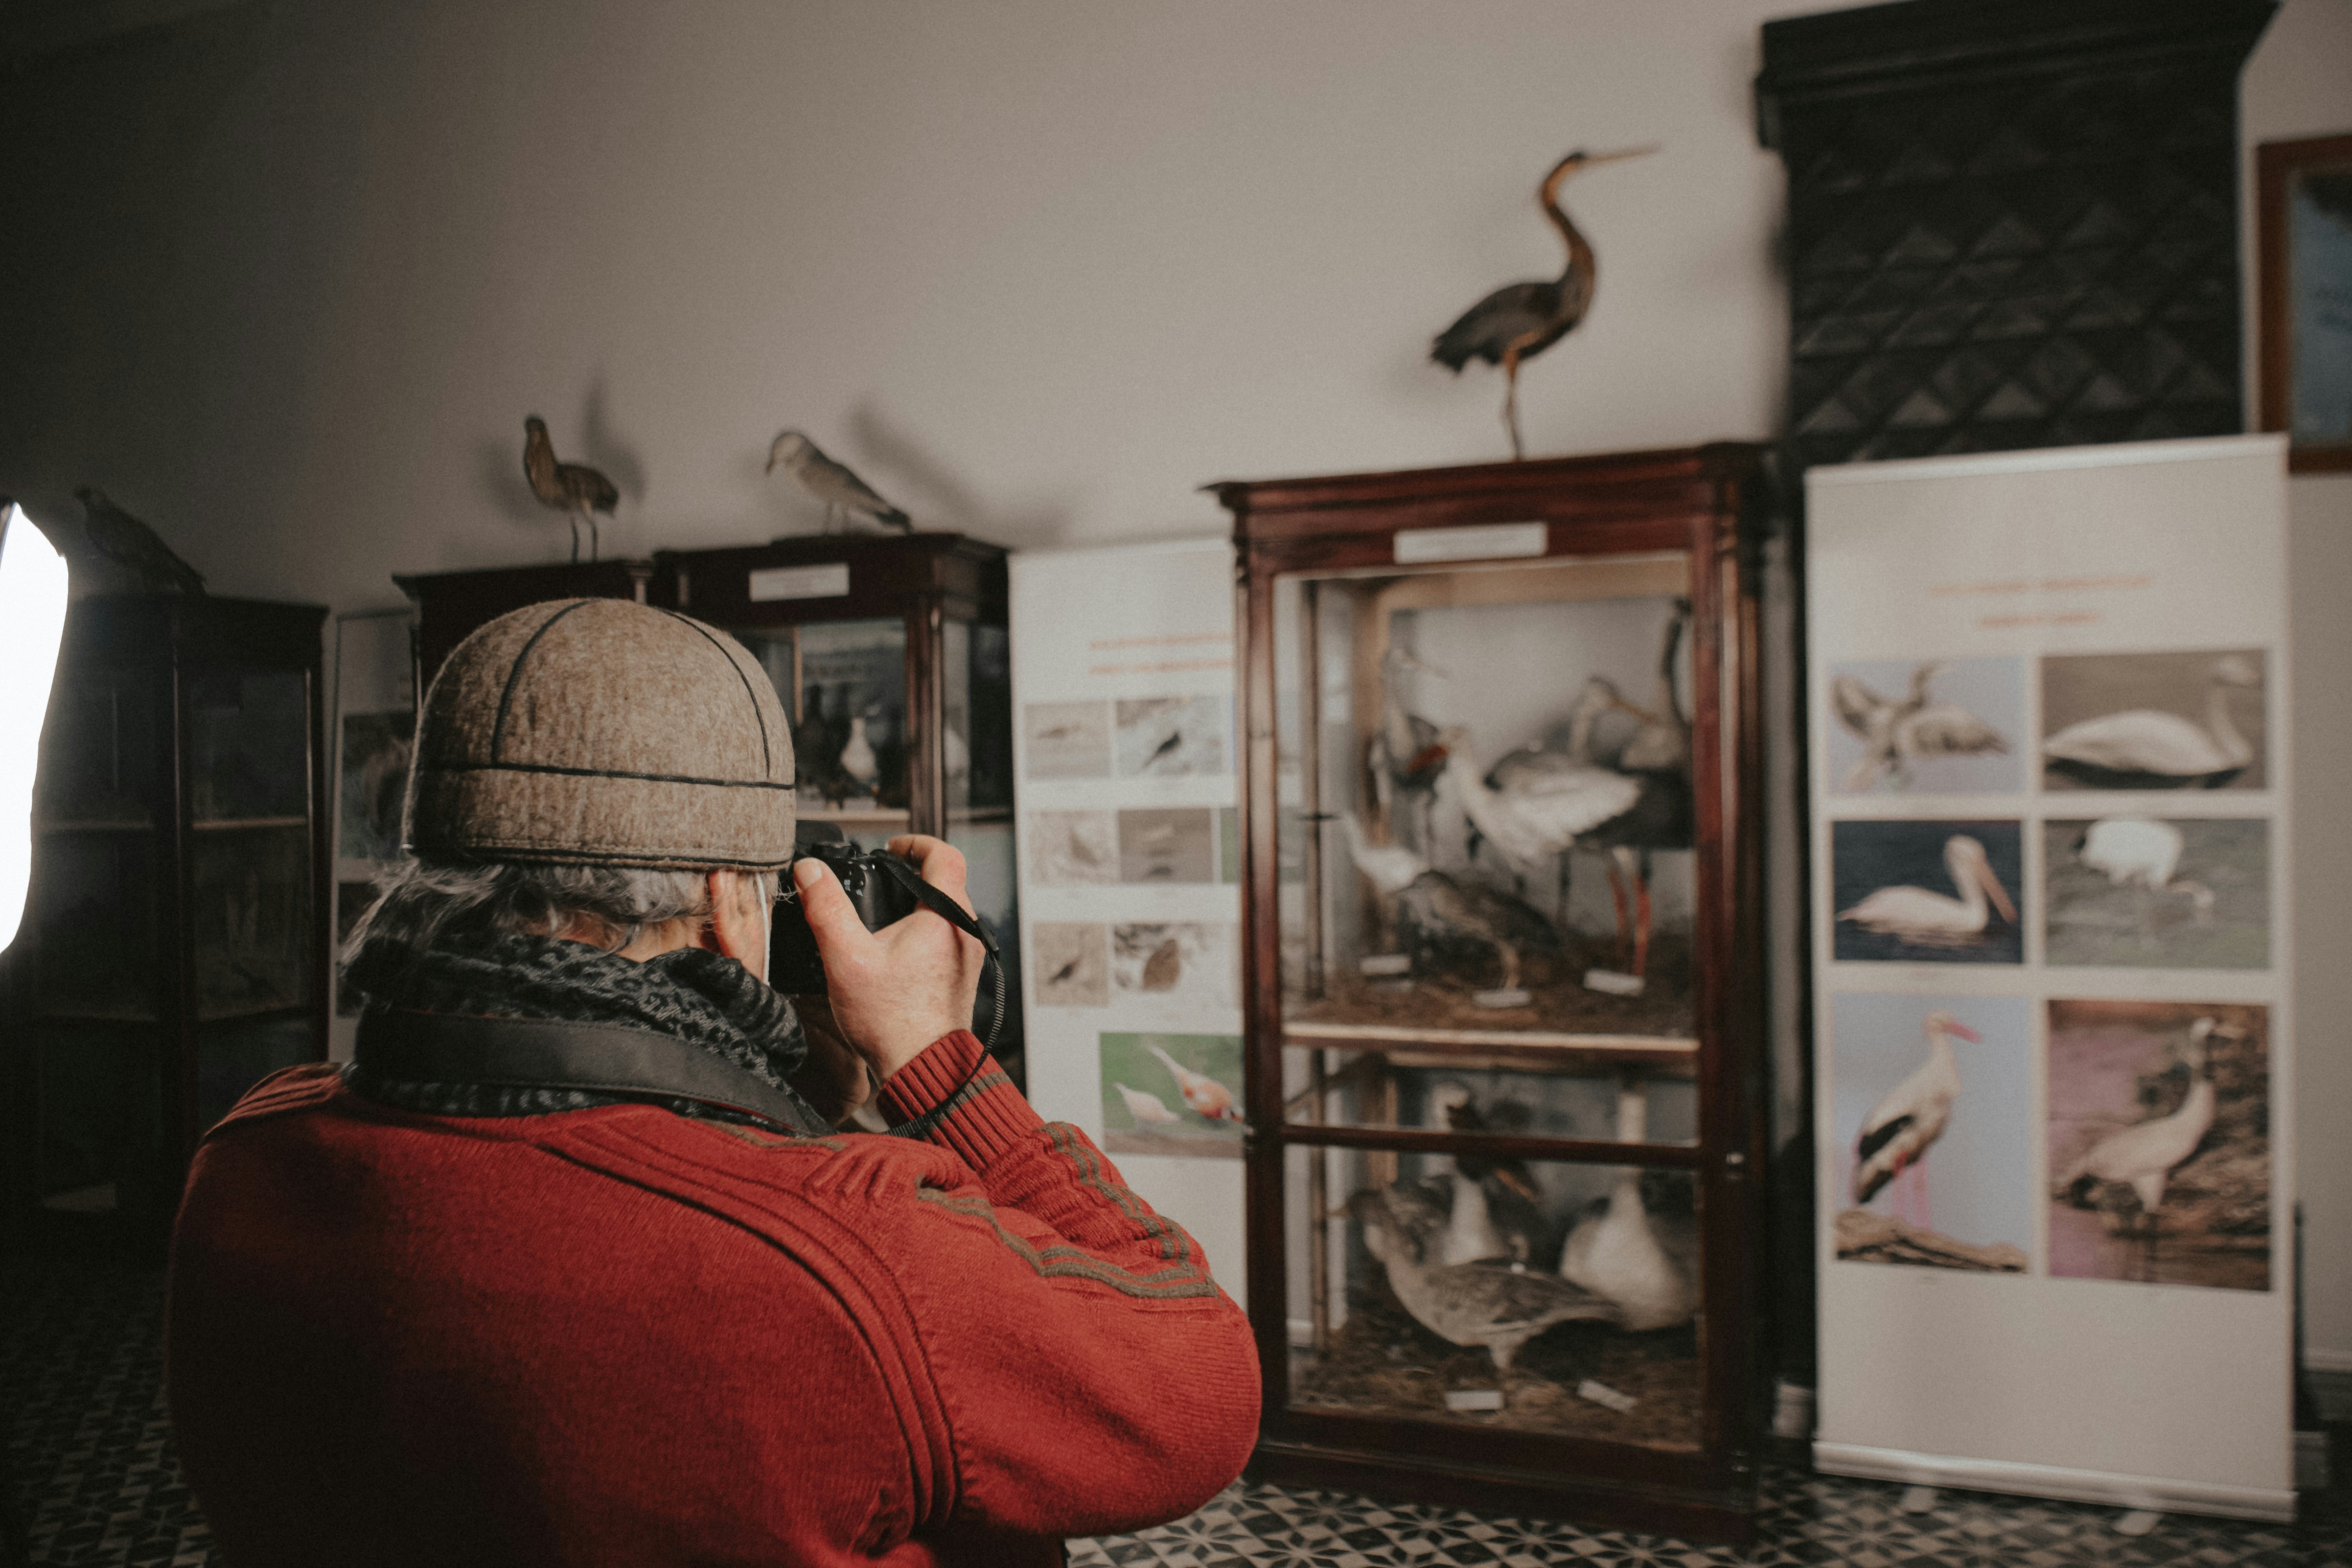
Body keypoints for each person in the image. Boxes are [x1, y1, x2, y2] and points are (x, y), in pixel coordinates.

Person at [164, 598, 1260, 1567]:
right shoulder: (849, 1256)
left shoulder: (248, 1158)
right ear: (733, 901)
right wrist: (937, 1058)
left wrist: (795, 1079)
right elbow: (1202, 1393)